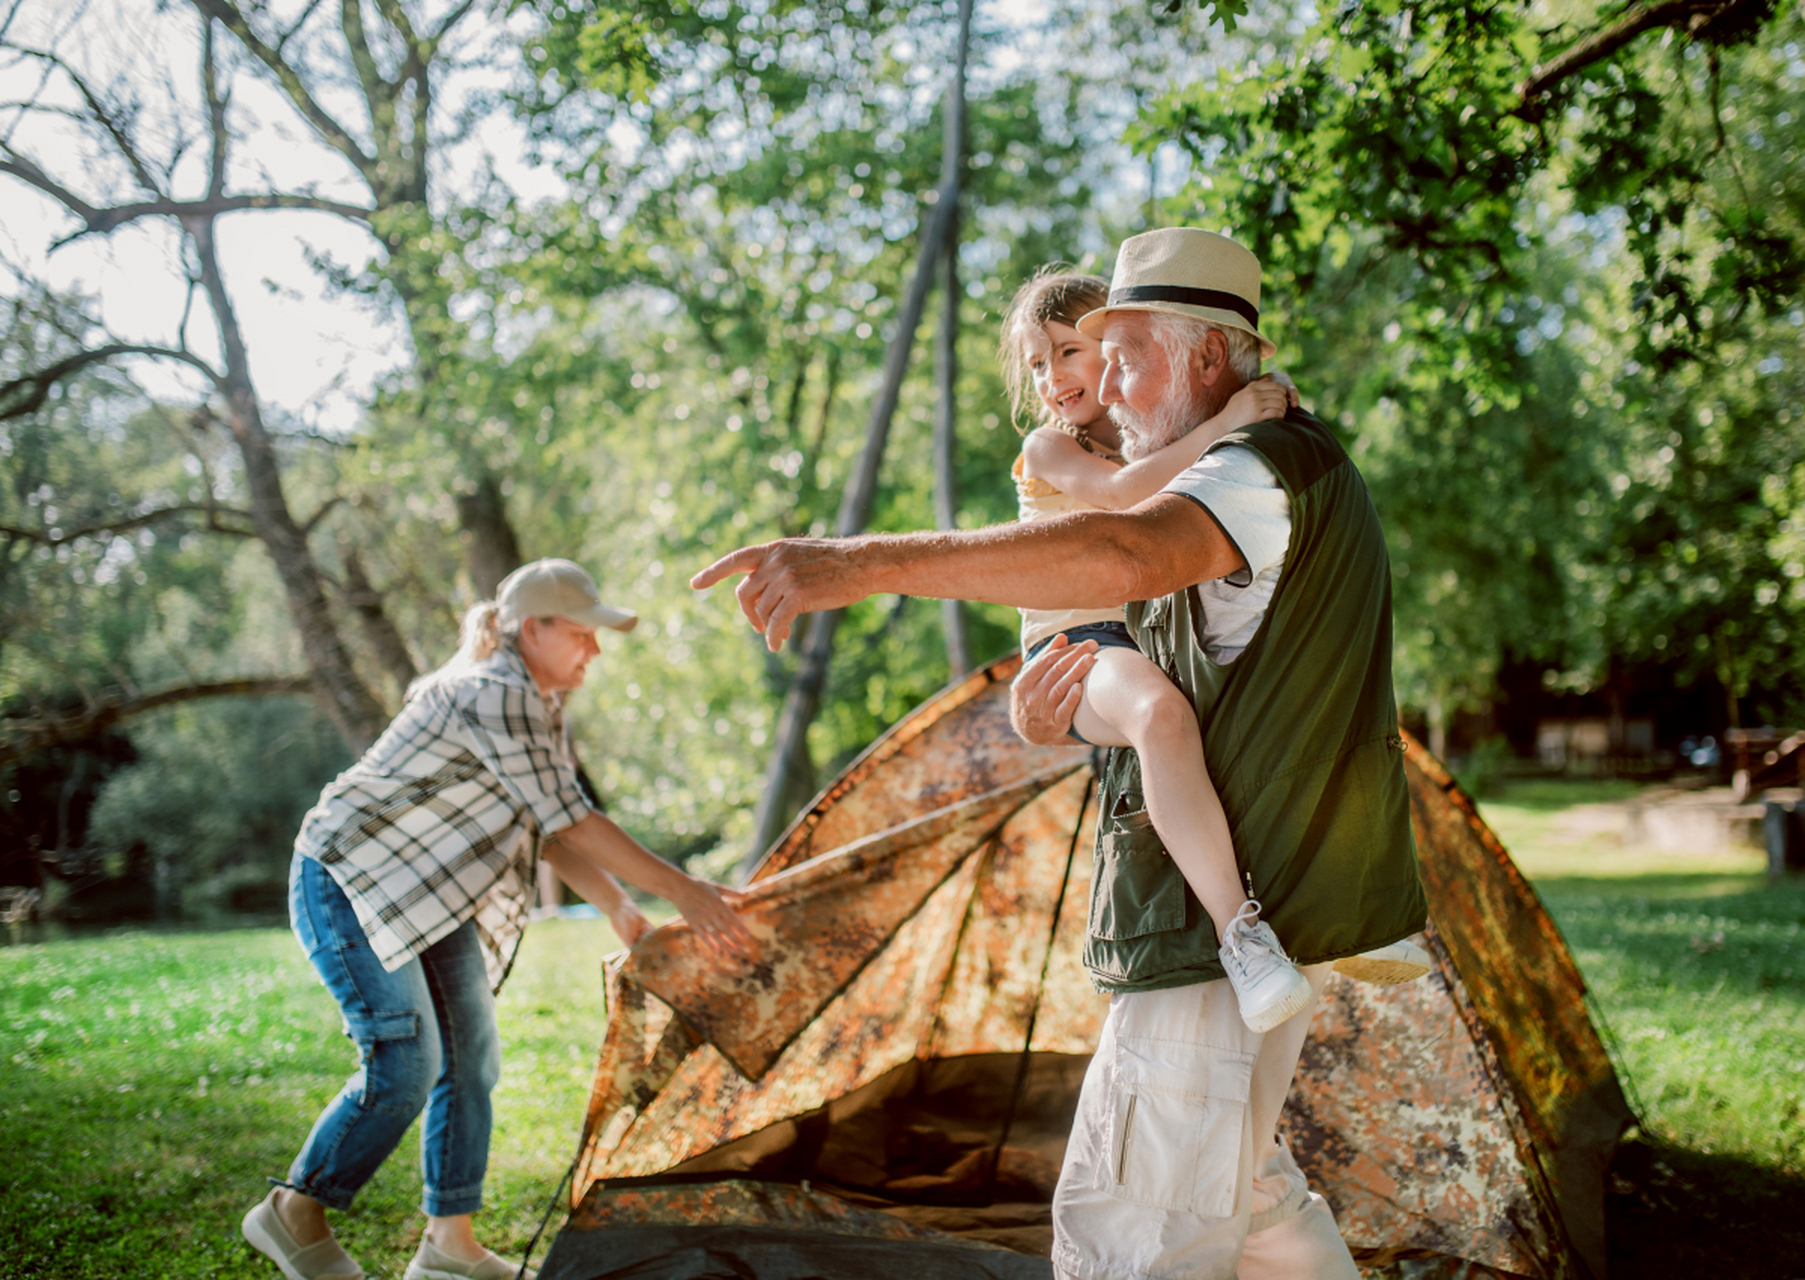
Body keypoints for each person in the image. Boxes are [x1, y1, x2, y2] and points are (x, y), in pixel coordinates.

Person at [693, 227, 1429, 1279]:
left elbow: (1120, 548)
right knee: (1249, 1197)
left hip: (1208, 943)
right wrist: (1051, 715)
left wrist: (854, 564)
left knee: (1127, 1235)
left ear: (1207, 359)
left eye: (1121, 355)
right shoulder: (1238, 461)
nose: (1100, 388)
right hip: (1229, 929)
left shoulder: (1260, 467)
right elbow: (1139, 638)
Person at [243, 558, 752, 1280]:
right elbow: (572, 818)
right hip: (352, 878)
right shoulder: (495, 692)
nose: (594, 650)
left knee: (469, 1061)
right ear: (531, 628)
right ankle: (293, 1210)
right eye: (581, 633)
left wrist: (616, 904)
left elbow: (543, 824)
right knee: (404, 1063)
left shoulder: (535, 702)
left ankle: (449, 1249)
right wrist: (685, 890)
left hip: (432, 895)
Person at [1001, 267, 1311, 1032]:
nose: (1053, 378)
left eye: (1068, 353)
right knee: (1160, 718)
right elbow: (1121, 500)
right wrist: (1229, 418)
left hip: (1142, 642)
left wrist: (1255, 413)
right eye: (1037, 365)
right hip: (1072, 647)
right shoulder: (1049, 449)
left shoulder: (1150, 434)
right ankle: (1242, 938)